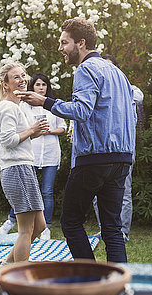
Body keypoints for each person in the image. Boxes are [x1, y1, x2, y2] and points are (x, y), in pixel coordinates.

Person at [18, 18, 136, 263]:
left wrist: (46, 102)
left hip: (94, 158)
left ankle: (91, 279)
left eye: (64, 42)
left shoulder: (86, 69)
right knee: (112, 228)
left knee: (70, 221)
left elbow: (82, 110)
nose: (61, 48)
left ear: (81, 43)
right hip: (122, 159)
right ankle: (118, 287)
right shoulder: (119, 73)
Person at [0, 73, 67, 240]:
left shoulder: (51, 106)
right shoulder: (17, 106)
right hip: (26, 158)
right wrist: (33, 130)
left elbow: (63, 127)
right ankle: (10, 222)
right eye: (38, 84)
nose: (41, 87)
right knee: (25, 226)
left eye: (44, 85)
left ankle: (45, 228)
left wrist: (46, 131)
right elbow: (10, 138)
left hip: (48, 154)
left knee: (45, 194)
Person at [0, 62, 49, 263]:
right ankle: (19, 277)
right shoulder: (7, 107)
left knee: (40, 225)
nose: (22, 79)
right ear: (6, 84)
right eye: (16, 77)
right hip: (16, 169)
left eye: (23, 75)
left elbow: (17, 138)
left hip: (24, 168)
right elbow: (8, 141)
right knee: (26, 230)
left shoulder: (16, 107)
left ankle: (6, 268)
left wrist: (33, 134)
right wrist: (32, 131)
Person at [92, 54, 143, 243]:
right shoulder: (95, 91)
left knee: (123, 191)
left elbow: (138, 97)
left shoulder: (130, 89)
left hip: (124, 150)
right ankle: (104, 229)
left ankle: (122, 231)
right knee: (97, 193)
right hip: (101, 150)